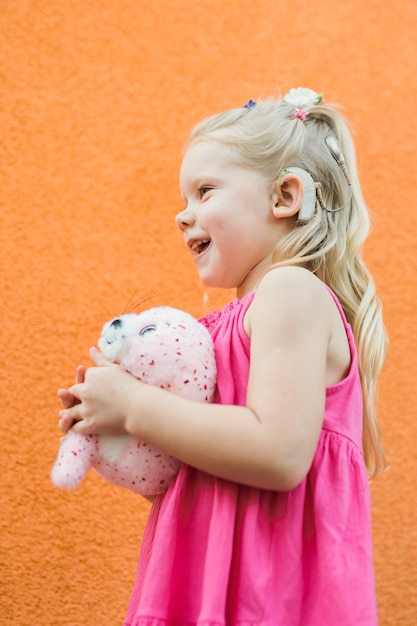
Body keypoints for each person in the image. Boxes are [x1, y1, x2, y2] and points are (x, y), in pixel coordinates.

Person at [58, 87, 387, 625]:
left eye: (205, 191)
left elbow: (278, 454)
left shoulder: (292, 292)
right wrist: (113, 425)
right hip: (210, 586)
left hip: (273, 595)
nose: (182, 216)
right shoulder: (212, 335)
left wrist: (136, 406)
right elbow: (211, 479)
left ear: (284, 196)